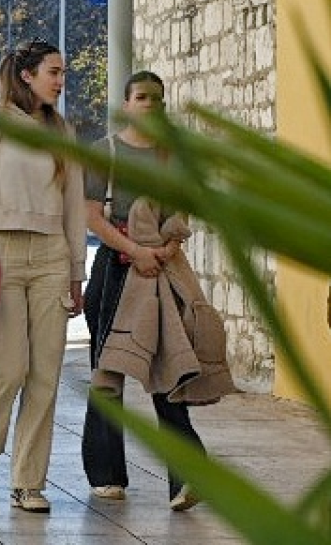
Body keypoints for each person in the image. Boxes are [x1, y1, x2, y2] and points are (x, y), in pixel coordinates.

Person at [0, 39, 87, 514]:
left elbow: (72, 206)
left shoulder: (62, 132)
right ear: (27, 74)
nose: (61, 80)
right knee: (9, 369)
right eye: (54, 71)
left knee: (46, 375)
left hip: (51, 254)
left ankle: (29, 483)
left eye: (63, 72)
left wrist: (75, 274)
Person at [81, 71, 207, 512]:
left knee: (167, 371)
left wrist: (165, 250)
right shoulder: (105, 152)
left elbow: (180, 215)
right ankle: (106, 474)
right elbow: (92, 217)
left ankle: (186, 478)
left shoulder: (174, 157)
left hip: (161, 273)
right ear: (126, 103)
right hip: (115, 272)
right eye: (141, 97)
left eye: (157, 98)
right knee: (107, 373)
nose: (149, 105)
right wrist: (134, 250)